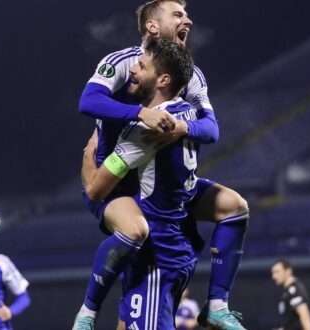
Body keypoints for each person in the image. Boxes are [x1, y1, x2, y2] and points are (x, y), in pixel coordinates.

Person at [76, 1, 250, 328]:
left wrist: (184, 128)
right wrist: (142, 113)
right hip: (118, 182)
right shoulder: (126, 64)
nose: (189, 19)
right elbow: (88, 102)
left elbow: (211, 129)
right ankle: (87, 314)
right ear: (153, 26)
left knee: (235, 206)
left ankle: (216, 304)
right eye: (178, 14)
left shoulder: (190, 74)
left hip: (164, 186)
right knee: (136, 234)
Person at [80, 38, 200, 330]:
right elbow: (211, 129)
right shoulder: (188, 114)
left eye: (142, 66)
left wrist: (87, 159)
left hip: (156, 255)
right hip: (178, 247)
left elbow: (95, 190)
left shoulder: (146, 130)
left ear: (163, 79)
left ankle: (87, 312)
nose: (132, 69)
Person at [271, 259, 310, 330]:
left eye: (277, 272)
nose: (274, 276)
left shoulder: (294, 289)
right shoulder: (287, 292)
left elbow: (304, 314)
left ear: (288, 271)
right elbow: (292, 321)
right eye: (273, 273)